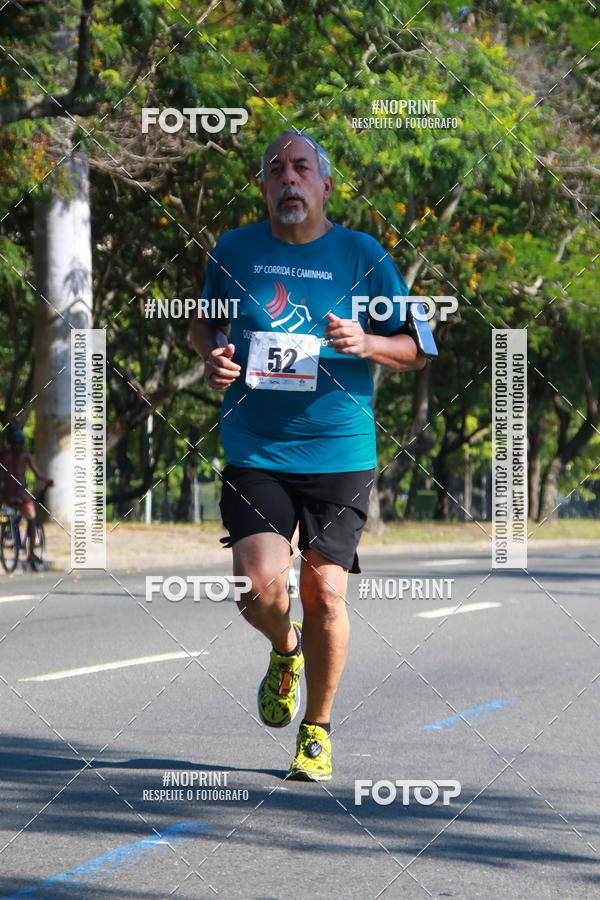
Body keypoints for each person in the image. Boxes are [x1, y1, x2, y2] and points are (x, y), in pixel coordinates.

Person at [189, 129, 427, 781]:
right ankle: (283, 647)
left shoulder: (362, 254)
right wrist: (210, 354)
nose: (288, 179)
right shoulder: (235, 250)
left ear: (324, 186)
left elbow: (417, 345)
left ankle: (316, 731)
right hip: (256, 446)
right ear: (263, 186)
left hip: (340, 449)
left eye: (301, 169)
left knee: (324, 593)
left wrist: (367, 343)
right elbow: (202, 320)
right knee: (258, 587)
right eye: (275, 170)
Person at [0, 424, 53, 568]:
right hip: (22, 496)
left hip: (6, 496)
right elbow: (38, 475)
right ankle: (30, 553)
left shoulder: (3, 456)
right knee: (31, 519)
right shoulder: (26, 455)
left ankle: (9, 530)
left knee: (5, 515)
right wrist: (48, 481)